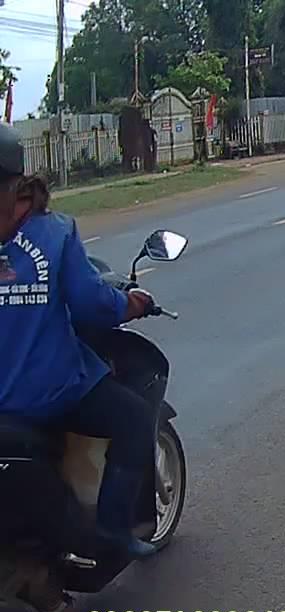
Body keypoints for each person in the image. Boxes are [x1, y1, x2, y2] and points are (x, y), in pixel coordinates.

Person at [0, 123, 159, 558]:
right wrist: (131, 304)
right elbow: (92, 305)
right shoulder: (56, 233)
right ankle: (112, 532)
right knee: (135, 420)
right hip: (50, 393)